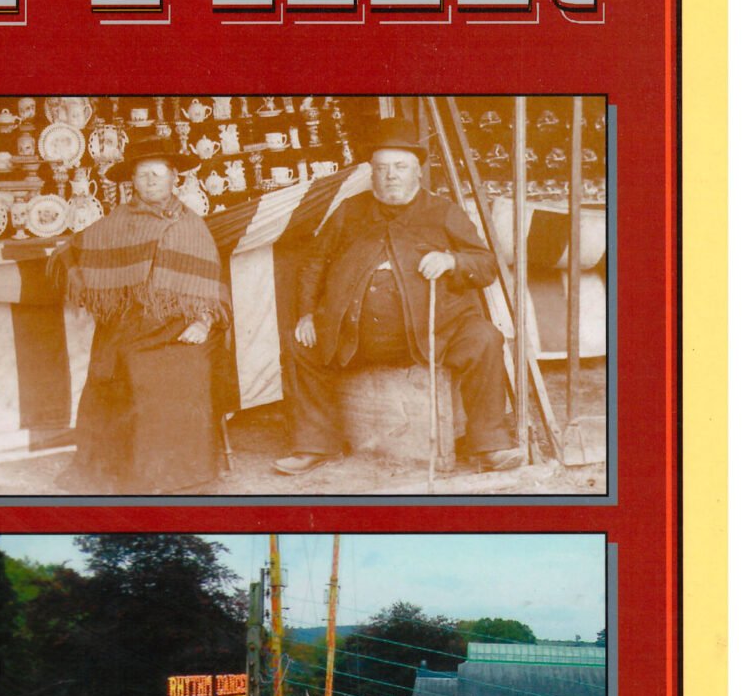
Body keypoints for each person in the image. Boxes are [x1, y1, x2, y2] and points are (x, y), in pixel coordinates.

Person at [274, 119, 521, 476]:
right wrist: (307, 315)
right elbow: (313, 265)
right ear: (371, 174)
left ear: (417, 173)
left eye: (400, 167)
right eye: (381, 168)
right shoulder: (348, 212)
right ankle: (315, 445)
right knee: (299, 347)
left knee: (485, 338)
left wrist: (453, 260)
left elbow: (485, 265)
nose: (390, 176)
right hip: (357, 336)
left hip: (434, 332)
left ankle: (491, 445)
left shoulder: (443, 211)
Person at [56, 142, 235, 492]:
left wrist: (202, 322)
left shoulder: (191, 224)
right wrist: (91, 283)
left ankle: (185, 472)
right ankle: (132, 473)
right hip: (129, 323)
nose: (151, 180)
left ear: (174, 179)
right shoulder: (116, 222)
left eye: (159, 173)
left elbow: (210, 284)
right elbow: (74, 251)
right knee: (120, 368)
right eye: (143, 175)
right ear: (132, 183)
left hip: (183, 325)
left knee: (189, 371)